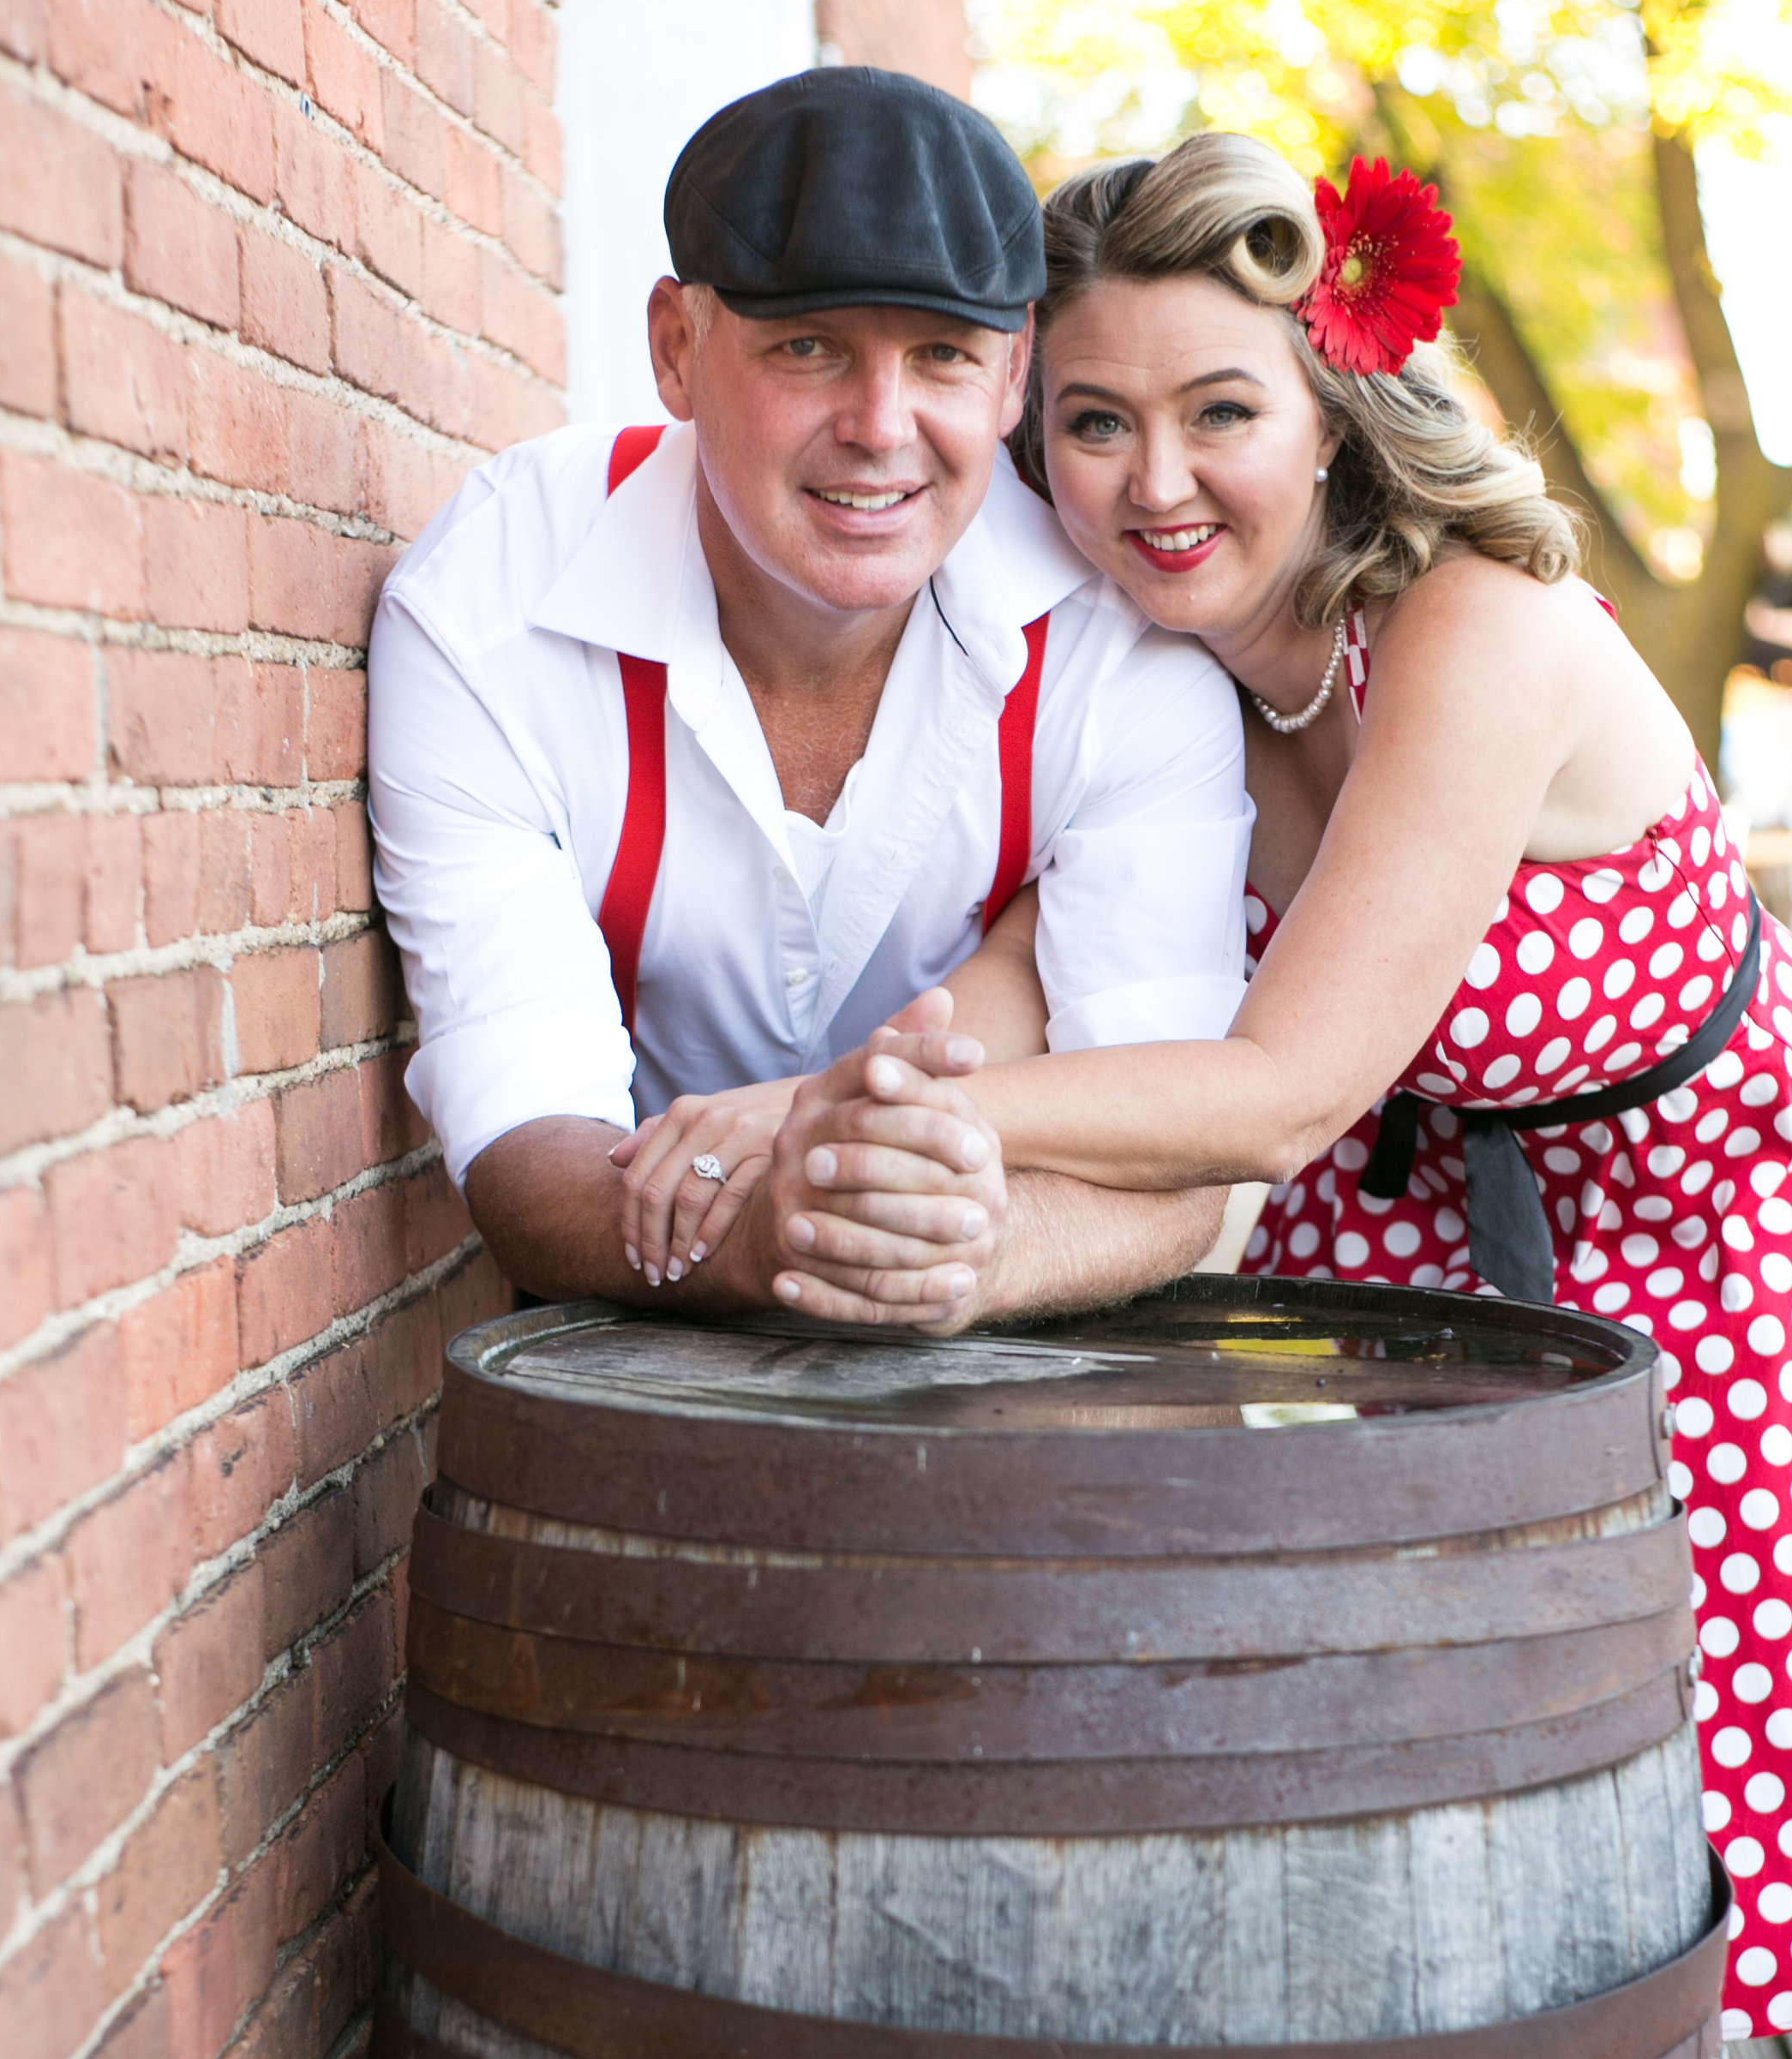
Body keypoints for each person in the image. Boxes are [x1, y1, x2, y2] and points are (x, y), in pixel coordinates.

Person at [618, 129, 1792, 2059]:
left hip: (1725, 1262)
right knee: (1450, 1863)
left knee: (1666, 1895)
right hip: (1430, 1301)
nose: (1152, 482)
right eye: (1084, 425)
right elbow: (1040, 994)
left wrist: (848, 1120)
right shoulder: (1157, 691)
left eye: (1215, 412)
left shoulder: (1472, 628)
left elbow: (1271, 1075)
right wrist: (843, 1094)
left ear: (1333, 401)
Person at [368, 70, 1252, 1329]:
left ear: (1012, 379)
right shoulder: (492, 606)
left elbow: (1175, 1165)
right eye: (810, 348)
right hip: (633, 1375)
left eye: (942, 356)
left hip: (1021, 1381)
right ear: (679, 347)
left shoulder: (1119, 647)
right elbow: (523, 1143)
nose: (880, 427)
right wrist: (765, 1238)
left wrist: (939, 1262)